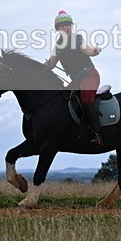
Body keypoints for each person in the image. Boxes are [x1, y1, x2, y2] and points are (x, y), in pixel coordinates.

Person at [44, 10, 104, 145]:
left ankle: (98, 135)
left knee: (86, 100)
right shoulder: (57, 47)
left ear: (71, 26)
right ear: (58, 29)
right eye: (62, 26)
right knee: (62, 99)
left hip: (89, 75)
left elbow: (85, 49)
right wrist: (43, 67)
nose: (65, 28)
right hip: (76, 80)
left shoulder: (77, 39)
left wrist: (94, 51)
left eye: (67, 25)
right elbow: (52, 64)